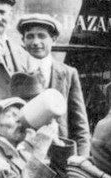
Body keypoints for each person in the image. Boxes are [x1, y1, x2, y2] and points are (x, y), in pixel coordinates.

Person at [16, 13, 91, 155]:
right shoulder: (16, 71)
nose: (35, 42)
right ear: (23, 40)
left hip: (60, 153)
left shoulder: (68, 73)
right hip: (25, 154)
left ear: (54, 39)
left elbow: (80, 125)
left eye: (42, 36)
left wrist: (82, 159)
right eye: (30, 36)